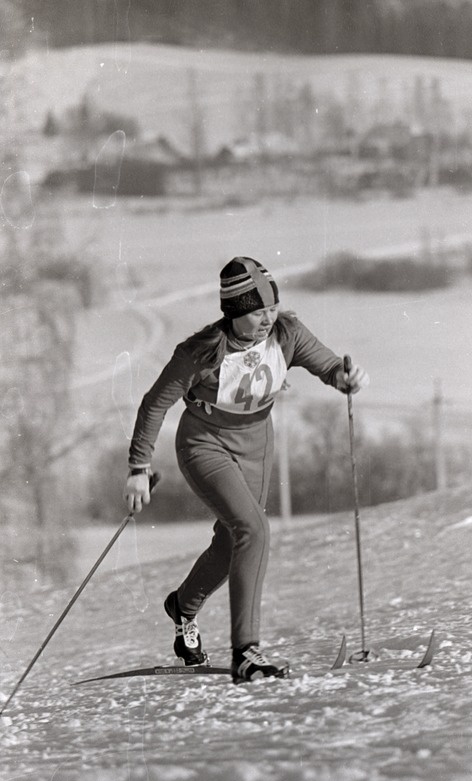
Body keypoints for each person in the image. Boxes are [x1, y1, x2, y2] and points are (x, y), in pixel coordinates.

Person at [125, 256, 369, 684]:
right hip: (205, 443)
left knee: (234, 539)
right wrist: (139, 467)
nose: (267, 319)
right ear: (234, 312)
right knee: (253, 530)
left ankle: (183, 607)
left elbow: (328, 365)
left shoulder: (286, 333)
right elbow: (155, 403)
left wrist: (344, 377)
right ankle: (246, 653)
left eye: (272, 308)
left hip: (257, 442)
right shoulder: (200, 352)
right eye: (257, 312)